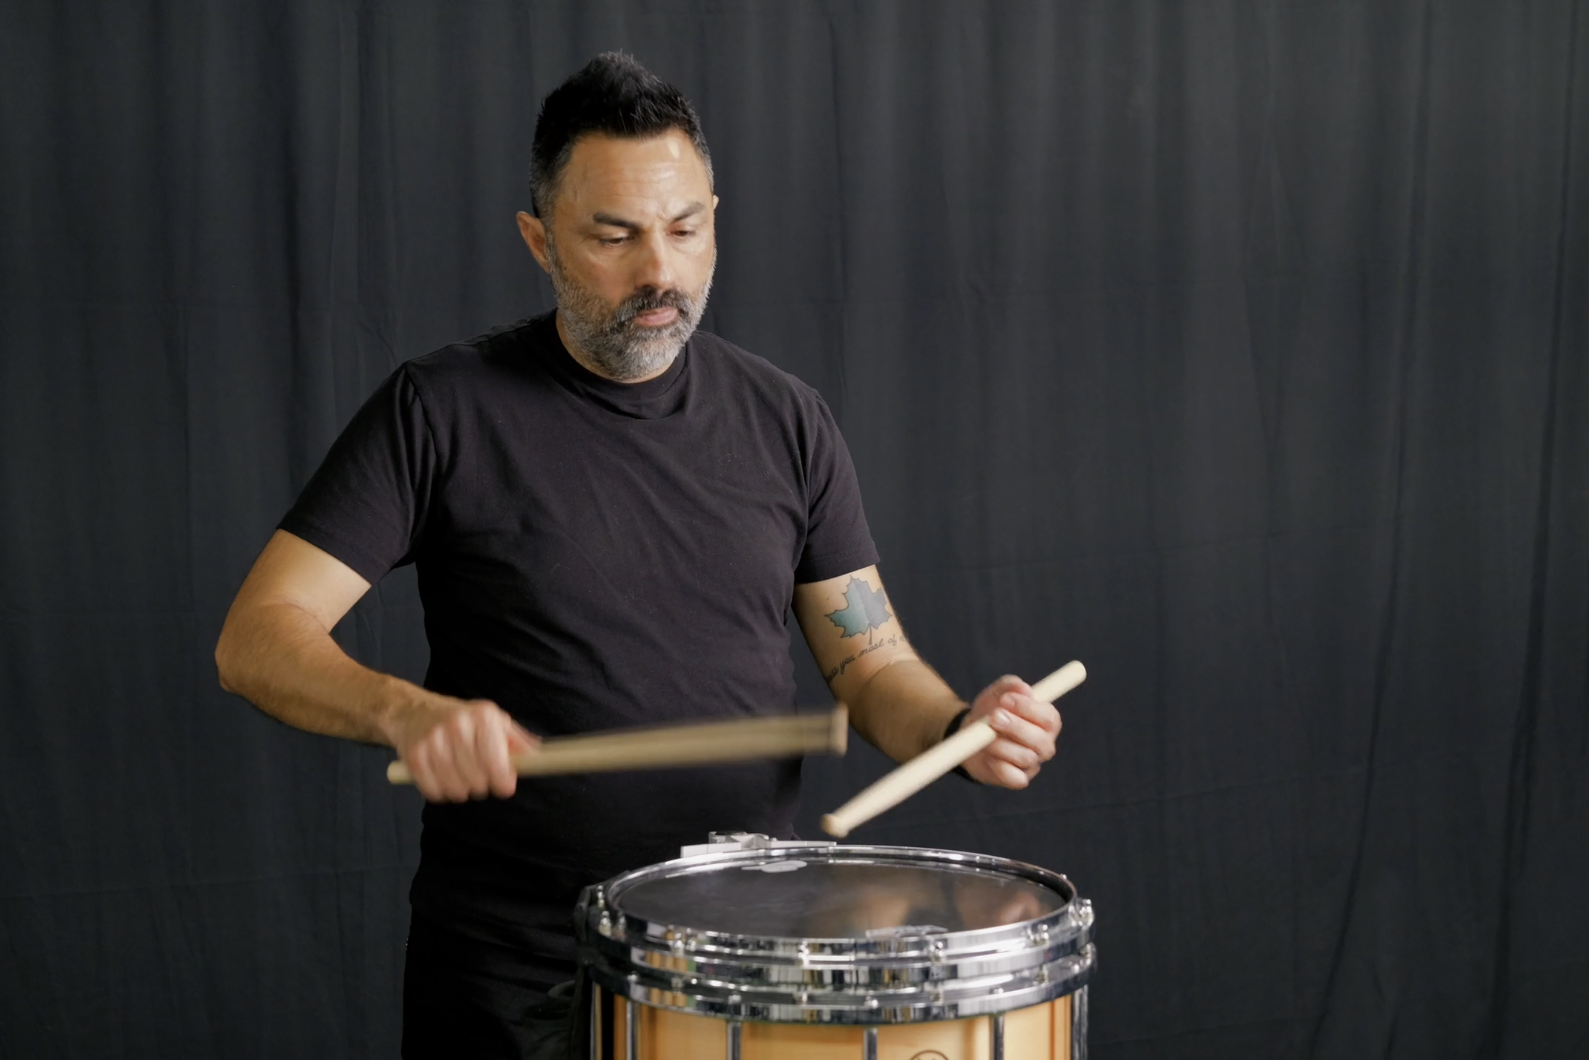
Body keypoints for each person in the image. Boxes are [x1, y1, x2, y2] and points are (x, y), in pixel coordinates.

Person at [213, 52, 1064, 1059]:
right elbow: (256, 638)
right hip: (518, 973)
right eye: (614, 235)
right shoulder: (441, 411)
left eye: (685, 229)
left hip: (740, 970)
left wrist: (961, 726)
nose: (659, 270)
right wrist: (405, 711)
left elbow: (868, 662)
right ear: (540, 239)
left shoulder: (787, 420)